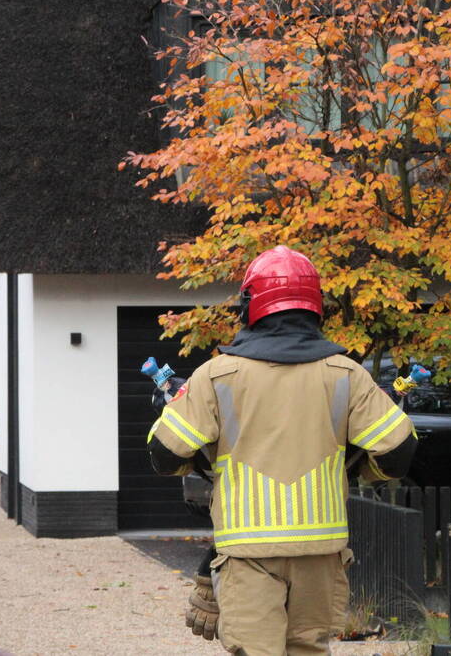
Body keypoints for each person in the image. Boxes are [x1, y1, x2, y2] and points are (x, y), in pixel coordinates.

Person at [147, 245, 417, 655]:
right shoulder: (348, 374)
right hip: (322, 550)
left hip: (248, 553)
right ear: (316, 303)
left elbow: (165, 456)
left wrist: (198, 453)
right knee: (308, 650)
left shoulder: (217, 376)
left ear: (250, 303)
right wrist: (357, 472)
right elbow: (398, 451)